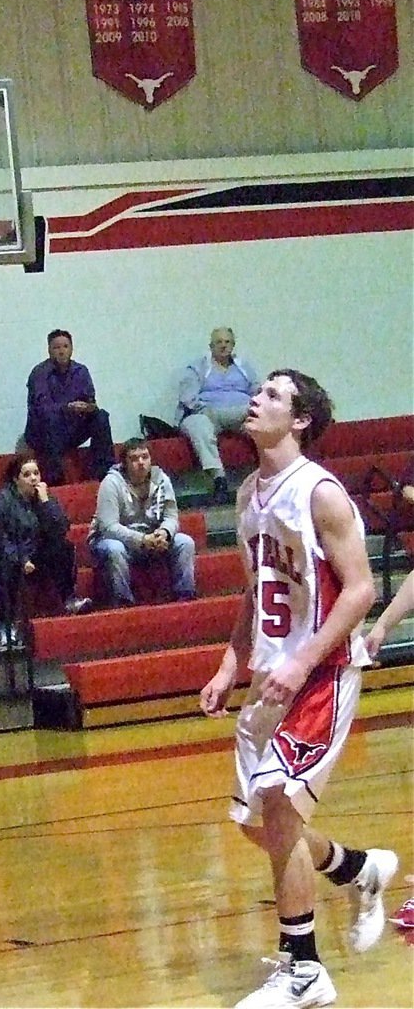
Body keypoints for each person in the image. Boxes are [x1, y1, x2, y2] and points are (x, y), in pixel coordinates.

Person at [200, 369, 398, 1009]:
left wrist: (304, 660)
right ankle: (357, 868)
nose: (255, 400)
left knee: (280, 809)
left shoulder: (321, 493)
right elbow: (255, 591)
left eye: (272, 395)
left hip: (321, 674)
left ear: (301, 419)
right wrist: (230, 664)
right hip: (270, 676)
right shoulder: (248, 495)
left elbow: (362, 591)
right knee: (258, 826)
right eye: (257, 391)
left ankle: (304, 970)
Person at [0, 455, 92, 631]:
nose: (34, 478)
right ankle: (5, 624)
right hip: (6, 554)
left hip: (35, 553)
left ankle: (70, 600)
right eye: (27, 475)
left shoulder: (44, 497)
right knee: (2, 565)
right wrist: (21, 559)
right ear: (16, 479)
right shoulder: (2, 501)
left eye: (36, 473)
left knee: (63, 547)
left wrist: (46, 503)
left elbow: (61, 529)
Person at [89, 437, 197, 606]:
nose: (141, 462)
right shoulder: (110, 483)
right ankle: (123, 602)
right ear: (124, 463)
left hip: (152, 537)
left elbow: (171, 516)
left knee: (185, 542)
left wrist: (164, 532)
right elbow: (108, 527)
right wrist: (141, 539)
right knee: (114, 548)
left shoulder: (161, 479)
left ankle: (185, 596)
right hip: (115, 540)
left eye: (145, 457)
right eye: (134, 458)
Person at [178, 326, 260, 504]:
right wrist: (206, 410)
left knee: (263, 422)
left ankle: (272, 475)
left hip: (240, 414)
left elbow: (257, 392)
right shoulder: (197, 368)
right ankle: (219, 480)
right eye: (219, 342)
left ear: (233, 345)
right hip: (208, 414)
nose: (223, 346)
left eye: (227, 342)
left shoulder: (244, 368)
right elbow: (188, 397)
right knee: (198, 425)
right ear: (211, 346)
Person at [23, 329, 115, 485]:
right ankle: (55, 480)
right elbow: (41, 409)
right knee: (51, 419)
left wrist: (88, 407)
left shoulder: (81, 371)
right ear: (49, 350)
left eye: (65, 346)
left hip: (71, 429)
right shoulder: (39, 373)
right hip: (43, 432)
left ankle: (103, 472)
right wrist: (67, 407)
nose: (61, 351)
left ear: (71, 348)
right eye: (56, 347)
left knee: (101, 416)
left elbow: (91, 400)